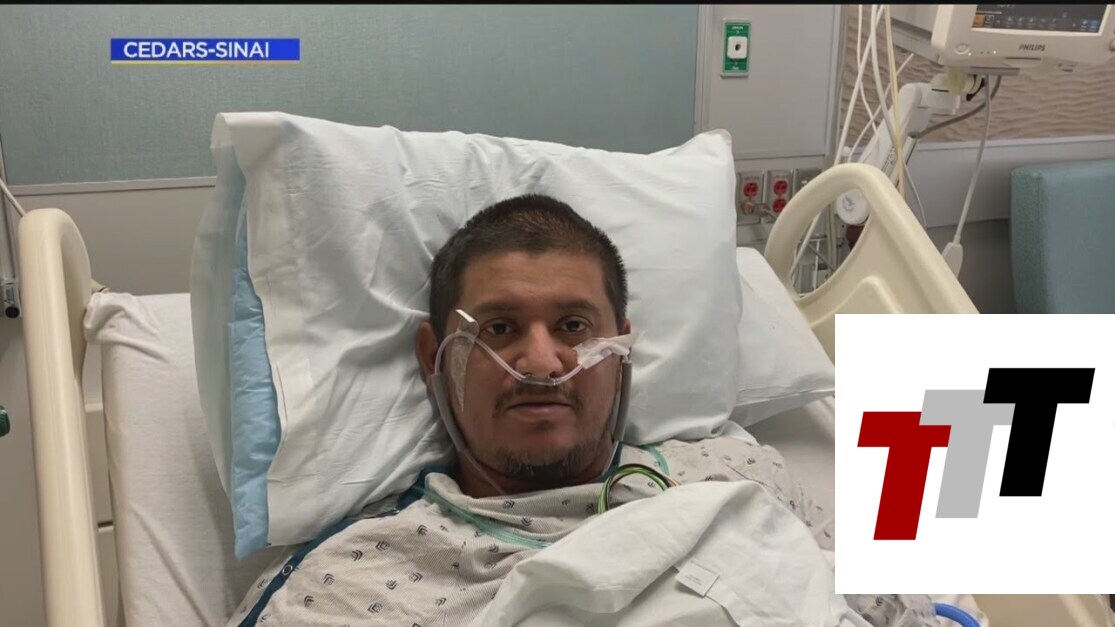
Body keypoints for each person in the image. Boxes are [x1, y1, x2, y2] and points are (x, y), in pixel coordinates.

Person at [226, 194, 938, 626]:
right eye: (499, 327)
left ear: (621, 347)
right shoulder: (346, 582)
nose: (541, 362)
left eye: (573, 326)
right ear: (434, 358)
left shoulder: (741, 474)